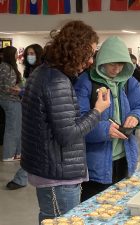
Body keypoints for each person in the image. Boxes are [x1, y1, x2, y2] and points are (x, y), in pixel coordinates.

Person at [20, 21, 111, 224]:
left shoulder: (43, 73)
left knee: (50, 218)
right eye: (88, 55)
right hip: (57, 174)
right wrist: (98, 111)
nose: (90, 61)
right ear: (75, 51)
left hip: (49, 168)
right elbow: (68, 134)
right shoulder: (56, 81)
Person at [74, 36, 140, 202]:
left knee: (120, 207)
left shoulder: (129, 82)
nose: (117, 69)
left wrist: (136, 117)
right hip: (95, 163)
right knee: (94, 208)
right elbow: (77, 123)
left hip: (125, 159)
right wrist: (104, 130)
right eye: (112, 64)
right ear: (102, 60)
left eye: (121, 64)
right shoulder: (85, 82)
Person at [6, 44, 44, 190]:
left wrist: (21, 92)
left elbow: (36, 92)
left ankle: (21, 178)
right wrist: (21, 90)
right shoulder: (31, 71)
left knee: (33, 147)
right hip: (30, 112)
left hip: (38, 113)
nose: (30, 56)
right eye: (28, 53)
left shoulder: (42, 71)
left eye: (33, 53)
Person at [0, 46, 22, 162]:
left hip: (14, 100)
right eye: (15, 53)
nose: (17, 55)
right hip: (9, 100)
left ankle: (18, 153)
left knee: (18, 127)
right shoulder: (5, 67)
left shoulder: (10, 67)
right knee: (12, 128)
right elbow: (5, 87)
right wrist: (17, 89)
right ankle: (8, 154)